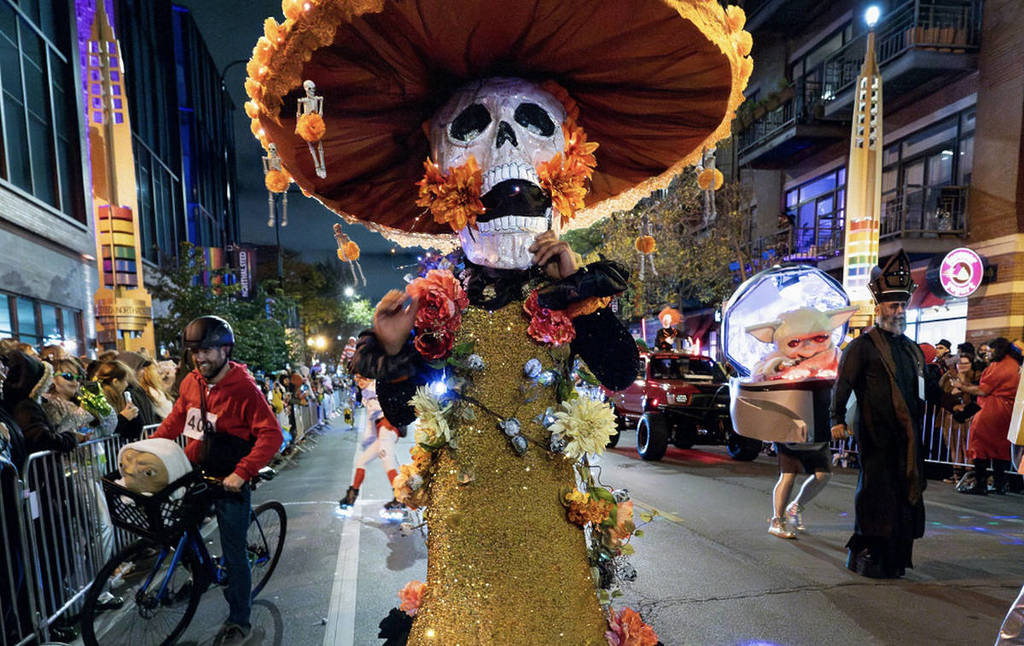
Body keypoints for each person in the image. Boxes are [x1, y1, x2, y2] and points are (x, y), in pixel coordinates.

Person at [151, 316, 282, 646]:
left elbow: (271, 434)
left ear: (225, 350)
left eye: (207, 350)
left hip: (230, 478)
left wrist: (242, 473)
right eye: (195, 351)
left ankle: (240, 619)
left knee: (234, 552)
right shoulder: (192, 382)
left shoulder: (244, 389)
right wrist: (147, 450)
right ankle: (201, 574)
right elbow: (176, 419)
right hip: (198, 470)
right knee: (176, 528)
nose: (200, 358)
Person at [830, 250, 926, 579]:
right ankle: (869, 556)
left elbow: (923, 391)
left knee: (901, 498)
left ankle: (894, 560)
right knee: (875, 494)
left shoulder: (911, 349)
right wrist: (837, 419)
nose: (898, 311)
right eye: (892, 305)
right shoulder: (862, 347)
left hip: (907, 438)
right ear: (879, 307)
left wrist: (956, 403)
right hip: (875, 436)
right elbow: (842, 386)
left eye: (902, 305)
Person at [954, 337, 1022, 495]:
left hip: (991, 410)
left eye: (990, 351)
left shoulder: (998, 366)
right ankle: (1000, 483)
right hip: (1009, 411)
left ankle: (980, 483)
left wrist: (962, 386)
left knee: (980, 445)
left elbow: (983, 390)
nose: (988, 355)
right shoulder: (1016, 365)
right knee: (1000, 448)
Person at [338, 374, 404, 513]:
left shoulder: (378, 387)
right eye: (357, 378)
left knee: (388, 462)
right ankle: (351, 497)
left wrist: (390, 420)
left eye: (362, 377)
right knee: (361, 461)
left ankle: (400, 499)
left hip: (388, 428)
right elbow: (370, 418)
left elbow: (393, 403)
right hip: (381, 431)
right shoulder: (366, 393)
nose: (359, 380)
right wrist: (369, 437)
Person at [768, 441, 832, 539]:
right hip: (789, 437)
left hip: (817, 440)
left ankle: (794, 509)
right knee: (788, 475)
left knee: (824, 475)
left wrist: (840, 425)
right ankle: (777, 522)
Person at [939, 353, 978, 485]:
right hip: (952, 416)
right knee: (954, 445)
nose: (962, 366)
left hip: (971, 416)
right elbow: (944, 394)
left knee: (968, 446)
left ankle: (969, 474)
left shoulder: (975, 377)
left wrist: (963, 387)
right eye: (960, 363)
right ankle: (957, 474)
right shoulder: (948, 378)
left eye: (966, 363)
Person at [92, 361, 142, 441]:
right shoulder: (100, 399)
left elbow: (134, 432)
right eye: (125, 380)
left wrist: (135, 416)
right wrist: (123, 418)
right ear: (115, 382)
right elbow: (103, 430)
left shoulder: (121, 397)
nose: (126, 384)